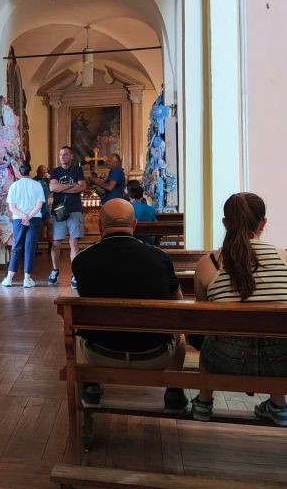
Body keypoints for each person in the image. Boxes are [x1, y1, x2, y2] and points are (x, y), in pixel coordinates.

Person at [72, 198, 188, 409]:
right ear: (134, 225)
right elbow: (178, 305)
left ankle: (92, 386)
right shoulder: (159, 258)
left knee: (78, 333)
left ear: (100, 226)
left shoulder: (81, 260)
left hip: (100, 353)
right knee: (179, 337)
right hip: (154, 354)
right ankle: (174, 390)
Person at [192, 193, 287, 425]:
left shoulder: (209, 263)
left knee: (210, 338)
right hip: (282, 361)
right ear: (263, 223)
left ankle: (204, 402)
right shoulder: (284, 258)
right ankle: (279, 405)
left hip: (225, 359)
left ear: (225, 223)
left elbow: (200, 318)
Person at [2, 161, 45, 288]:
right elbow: (39, 205)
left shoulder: (14, 186)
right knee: (30, 248)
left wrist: (23, 216)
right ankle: (27, 279)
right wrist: (29, 216)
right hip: (34, 219)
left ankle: (9, 278)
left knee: (17, 247)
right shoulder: (37, 185)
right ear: (30, 171)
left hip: (18, 220)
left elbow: (12, 207)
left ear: (19, 172)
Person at [48, 146, 86, 288]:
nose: (62, 157)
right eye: (60, 155)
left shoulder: (78, 170)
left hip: (74, 209)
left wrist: (61, 187)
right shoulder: (55, 171)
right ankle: (55, 270)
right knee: (56, 243)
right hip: (59, 210)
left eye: (65, 154)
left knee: (73, 243)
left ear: (71, 156)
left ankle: (75, 274)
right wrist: (72, 186)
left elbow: (82, 187)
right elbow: (53, 188)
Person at [128, 179, 157, 244]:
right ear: (142, 196)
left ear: (130, 196)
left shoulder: (126, 207)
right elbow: (155, 223)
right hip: (146, 240)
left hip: (131, 238)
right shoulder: (150, 209)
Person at [34, 164, 51, 256]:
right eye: (42, 172)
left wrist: (49, 180)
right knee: (36, 228)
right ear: (37, 172)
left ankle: (51, 247)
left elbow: (51, 190)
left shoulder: (46, 181)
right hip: (37, 208)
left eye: (45, 172)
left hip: (46, 208)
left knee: (50, 226)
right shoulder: (34, 181)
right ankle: (35, 248)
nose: (43, 174)